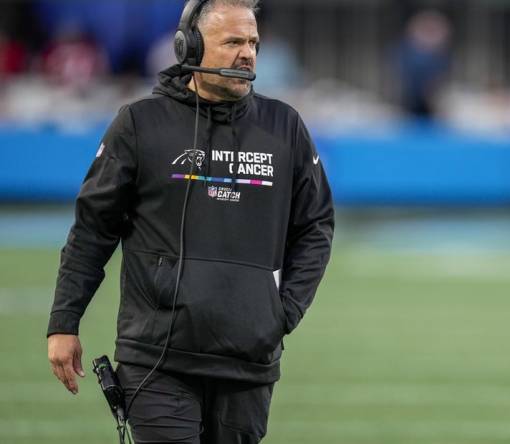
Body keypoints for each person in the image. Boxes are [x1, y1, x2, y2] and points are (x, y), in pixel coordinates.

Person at [46, 0, 335, 442]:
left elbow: (316, 226)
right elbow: (93, 229)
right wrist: (65, 321)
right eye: (233, 41)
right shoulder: (140, 124)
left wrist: (282, 311)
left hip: (248, 363)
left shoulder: (285, 127)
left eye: (253, 42)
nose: (248, 54)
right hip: (158, 360)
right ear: (190, 47)